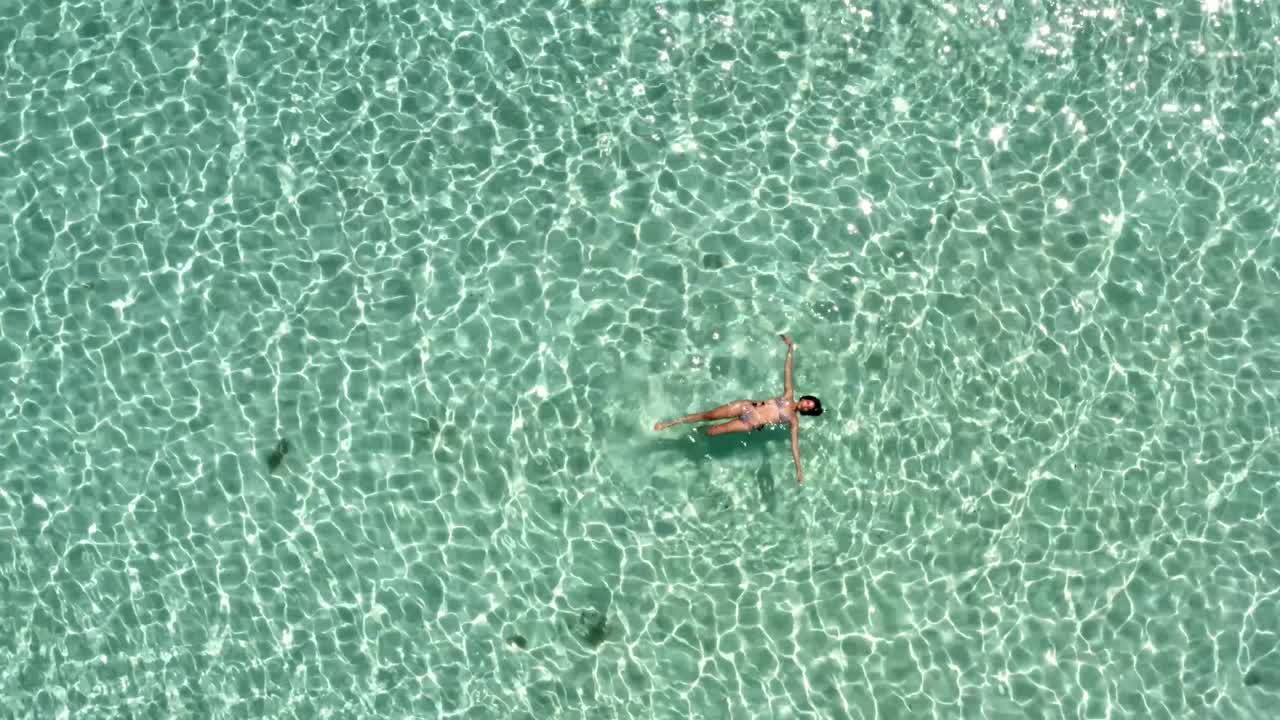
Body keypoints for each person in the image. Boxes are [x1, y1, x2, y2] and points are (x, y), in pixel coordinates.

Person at [653, 334, 823, 484]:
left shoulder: (793, 420)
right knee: (708, 415)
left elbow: (794, 446)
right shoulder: (788, 395)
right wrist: (790, 348)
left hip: (750, 423)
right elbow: (787, 370)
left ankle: (693, 436)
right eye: (809, 402)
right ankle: (670, 424)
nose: (807, 404)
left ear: (806, 411)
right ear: (805, 398)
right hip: (746, 406)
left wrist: (799, 469)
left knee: (713, 431)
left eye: (809, 407)